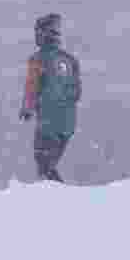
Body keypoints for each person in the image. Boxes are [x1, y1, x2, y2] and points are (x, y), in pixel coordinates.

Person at [20, 13, 82, 182]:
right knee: (49, 165)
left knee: (43, 164)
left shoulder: (37, 60)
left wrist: (27, 109)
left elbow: (31, 88)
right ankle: (58, 196)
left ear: (43, 34)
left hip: (48, 123)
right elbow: (77, 92)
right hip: (68, 124)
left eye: (37, 32)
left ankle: (60, 198)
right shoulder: (70, 60)